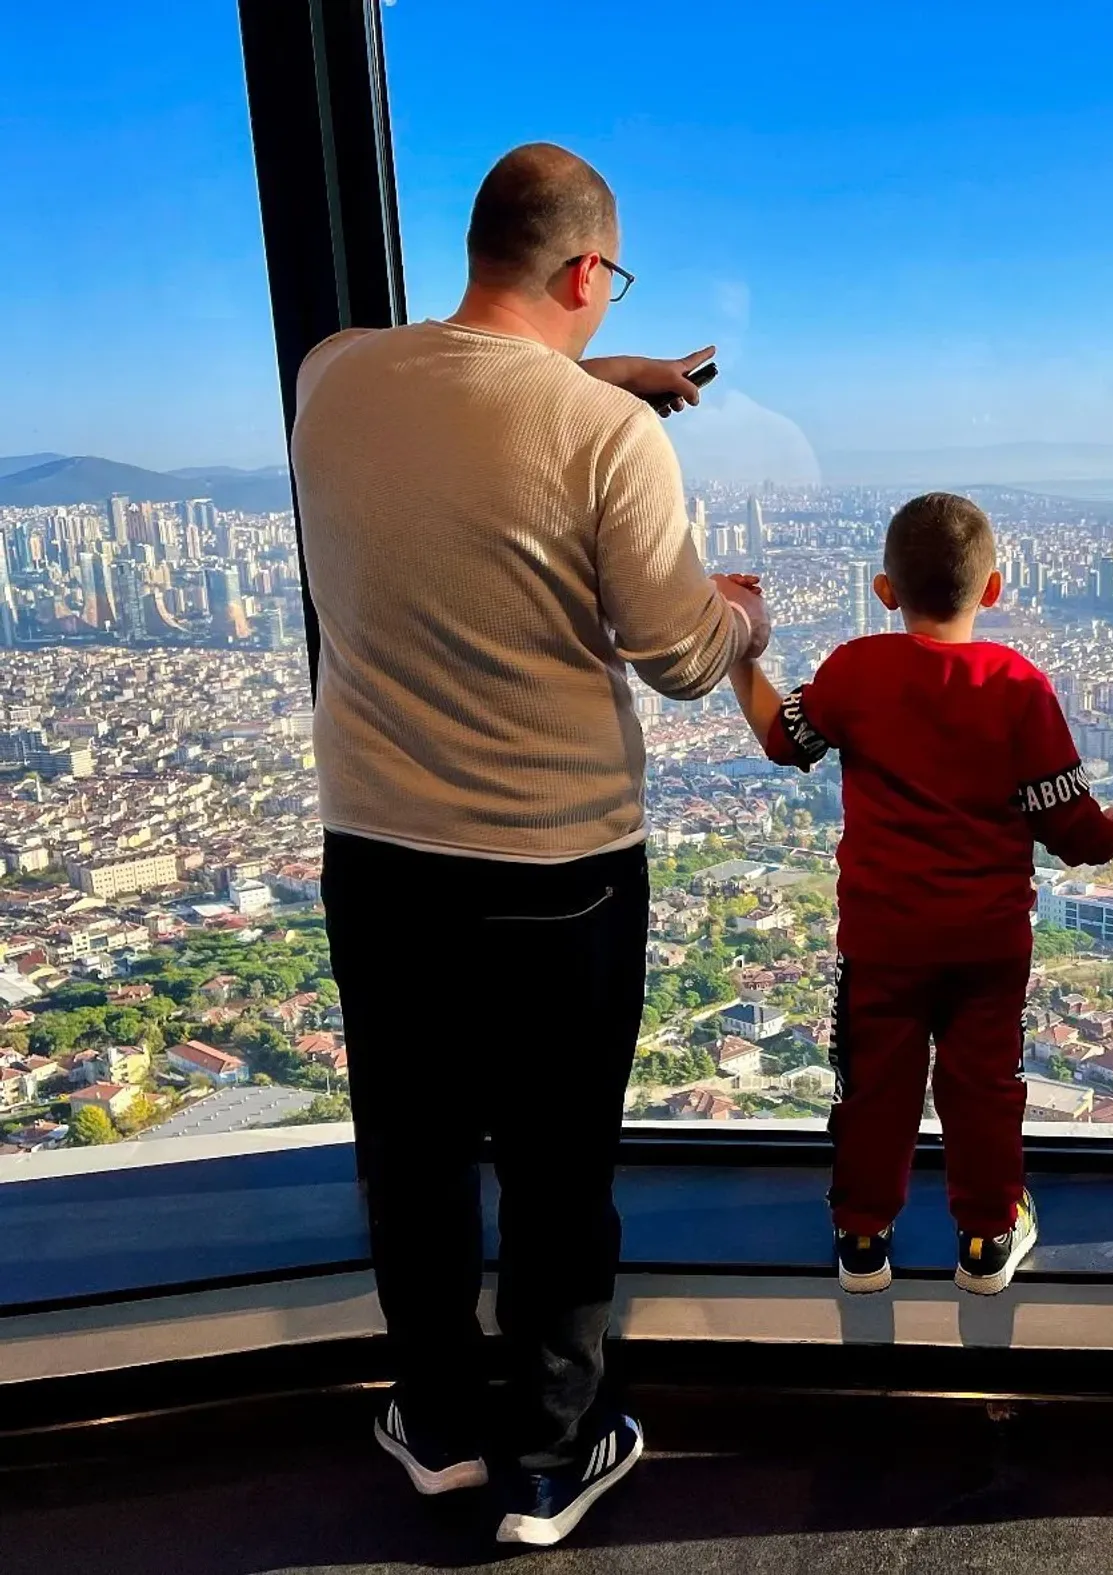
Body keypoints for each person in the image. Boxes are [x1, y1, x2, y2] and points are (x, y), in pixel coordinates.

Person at [290, 142, 770, 1547]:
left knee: (416, 1152)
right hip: (558, 873)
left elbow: (466, 392)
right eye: (610, 288)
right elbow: (680, 654)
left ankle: (437, 1425)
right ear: (584, 273)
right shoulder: (609, 442)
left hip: (380, 857)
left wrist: (597, 381)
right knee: (561, 1169)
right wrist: (738, 609)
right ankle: (552, 1460)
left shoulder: (330, 376)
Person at [726, 493, 1113, 1295]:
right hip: (988, 946)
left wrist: (741, 650)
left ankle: (862, 1240)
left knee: (875, 1085)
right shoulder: (1020, 686)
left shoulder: (856, 669)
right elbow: (1073, 830)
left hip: (882, 941)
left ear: (886, 590)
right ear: (994, 589)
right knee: (985, 1088)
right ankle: (985, 1239)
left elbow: (782, 738)